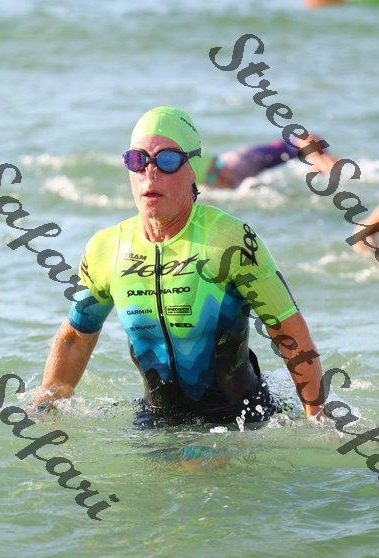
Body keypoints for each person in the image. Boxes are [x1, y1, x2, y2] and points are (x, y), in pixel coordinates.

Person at [30, 106, 324, 426]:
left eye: (167, 160)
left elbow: (288, 331)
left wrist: (317, 420)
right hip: (157, 421)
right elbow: (75, 337)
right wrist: (43, 408)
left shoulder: (230, 240)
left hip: (241, 421)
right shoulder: (107, 248)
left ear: (193, 170)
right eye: (137, 160)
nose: (150, 173)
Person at [197, 134, 337, 189]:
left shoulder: (240, 163)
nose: (224, 173)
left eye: (219, 165)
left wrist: (318, 158)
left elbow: (301, 138)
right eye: (212, 176)